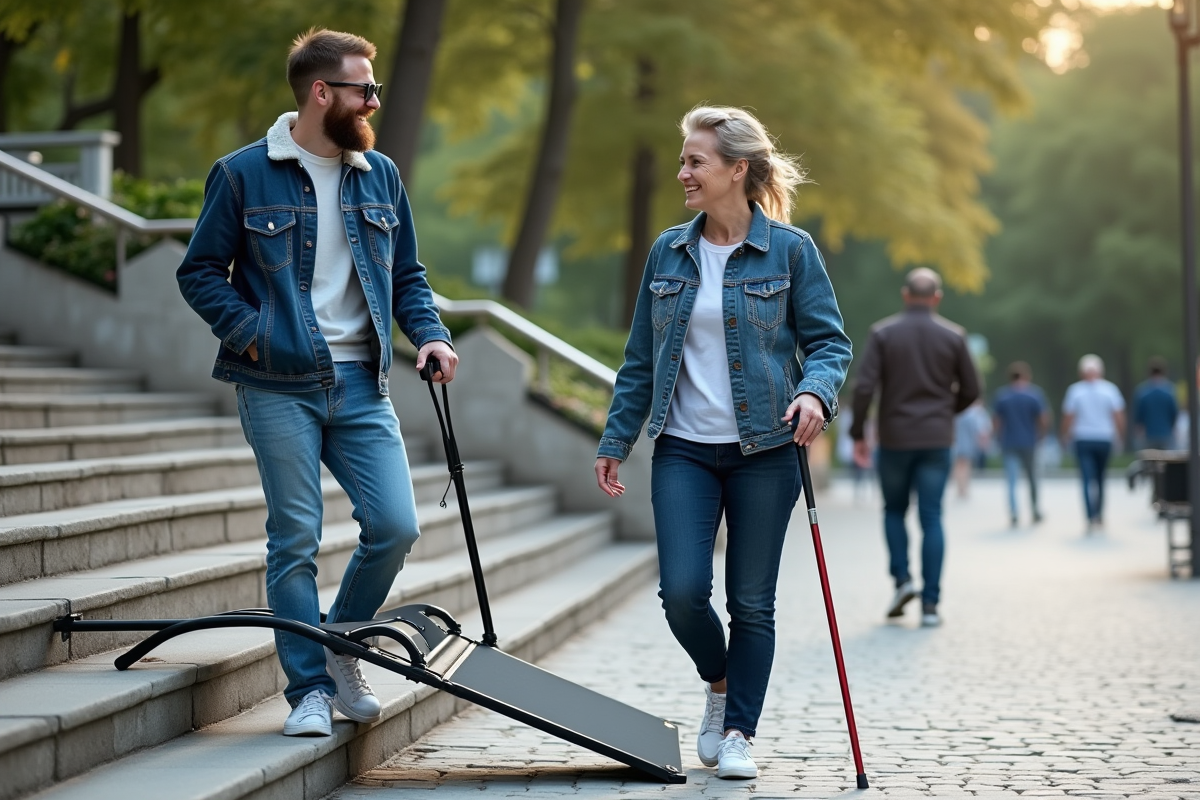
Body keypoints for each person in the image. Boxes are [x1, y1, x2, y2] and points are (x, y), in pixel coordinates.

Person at [176, 29, 457, 738]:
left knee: (395, 526)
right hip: (276, 383)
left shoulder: (379, 175)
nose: (374, 101)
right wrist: (256, 334)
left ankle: (340, 644)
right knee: (295, 537)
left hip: (361, 382)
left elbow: (406, 275)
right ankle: (307, 689)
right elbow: (199, 272)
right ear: (321, 93)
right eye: (364, 89)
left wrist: (430, 333)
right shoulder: (243, 174)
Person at [594, 106, 851, 780]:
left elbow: (830, 343)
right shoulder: (668, 251)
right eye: (683, 161)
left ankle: (739, 731)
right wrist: (616, 437)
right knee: (681, 591)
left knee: (752, 603)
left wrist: (815, 393)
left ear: (737, 169)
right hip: (683, 449)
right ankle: (719, 683)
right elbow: (641, 359)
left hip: (767, 450)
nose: (683, 172)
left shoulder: (790, 250)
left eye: (695, 162)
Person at [851, 268, 979, 628]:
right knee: (932, 516)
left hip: (895, 438)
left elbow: (864, 387)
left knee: (894, 510)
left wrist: (859, 433)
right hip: (937, 439)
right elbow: (972, 389)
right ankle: (931, 604)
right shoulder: (954, 336)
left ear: (905, 295)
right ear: (937, 297)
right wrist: (944, 412)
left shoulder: (883, 334)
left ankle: (902, 581)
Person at [1061, 354, 1125, 532]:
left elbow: (1069, 416)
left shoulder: (1075, 391)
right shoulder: (1110, 390)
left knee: (1086, 479)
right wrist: (1120, 435)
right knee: (1101, 478)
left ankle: (1090, 516)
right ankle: (1099, 514)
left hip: (1083, 438)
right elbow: (1118, 415)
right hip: (1104, 437)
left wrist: (1064, 435)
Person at [992, 361, 1050, 527]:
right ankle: (1035, 510)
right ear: (1026, 376)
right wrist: (1042, 435)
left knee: (1011, 480)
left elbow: (996, 421)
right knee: (1032, 478)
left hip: (1009, 442)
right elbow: (1043, 418)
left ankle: (1014, 513)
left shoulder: (1002, 396)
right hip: (1029, 442)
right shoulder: (1034, 395)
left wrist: (997, 437)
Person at [1133, 357, 1178, 451]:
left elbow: (1138, 417)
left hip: (1148, 435)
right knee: (1166, 459)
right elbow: (1174, 414)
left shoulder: (1142, 391)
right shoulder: (1170, 391)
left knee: (1150, 459)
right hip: (1166, 434)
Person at [952, 400, 992, 499]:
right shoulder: (971, 415)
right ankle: (964, 488)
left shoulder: (955, 413)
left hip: (955, 444)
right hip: (967, 443)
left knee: (957, 467)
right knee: (966, 466)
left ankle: (959, 488)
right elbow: (979, 430)